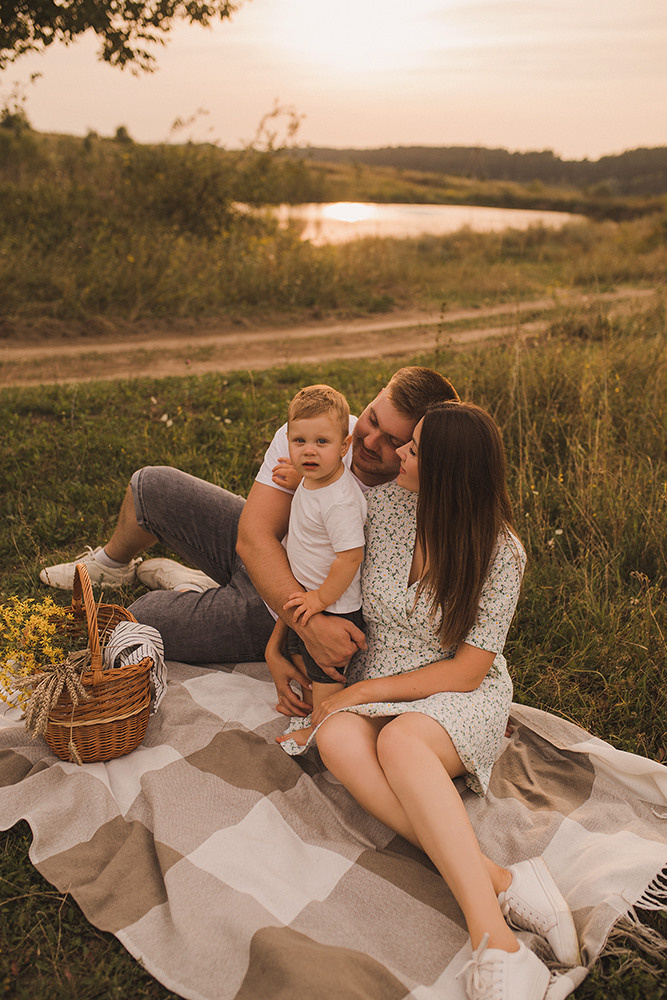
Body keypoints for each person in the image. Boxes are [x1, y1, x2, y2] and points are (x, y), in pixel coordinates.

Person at [280, 402, 579, 1000]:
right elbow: (315, 573)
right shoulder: (381, 508)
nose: (398, 455)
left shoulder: (501, 552)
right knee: (337, 737)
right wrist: (279, 643)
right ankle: (500, 877)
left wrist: (365, 691)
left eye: (413, 449)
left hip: (455, 691)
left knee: (401, 743)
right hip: (383, 672)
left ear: (445, 470)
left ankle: (495, 940)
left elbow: (469, 668)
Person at [38, 367, 459, 714]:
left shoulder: (414, 491)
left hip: (283, 605)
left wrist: (295, 633)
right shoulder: (321, 431)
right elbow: (254, 535)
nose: (369, 442)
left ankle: (193, 588)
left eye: (394, 441)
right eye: (372, 419)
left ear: (422, 446)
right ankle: (112, 566)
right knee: (151, 486)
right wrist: (306, 626)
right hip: (271, 560)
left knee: (140, 619)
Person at [265, 385, 366, 721]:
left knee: (326, 679)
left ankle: (321, 730)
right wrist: (301, 476)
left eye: (322, 442)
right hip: (306, 597)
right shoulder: (314, 479)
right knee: (305, 667)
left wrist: (320, 600)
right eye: (299, 442)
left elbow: (350, 558)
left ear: (344, 447)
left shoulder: (341, 503)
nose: (309, 451)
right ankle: (311, 715)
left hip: (333, 608)